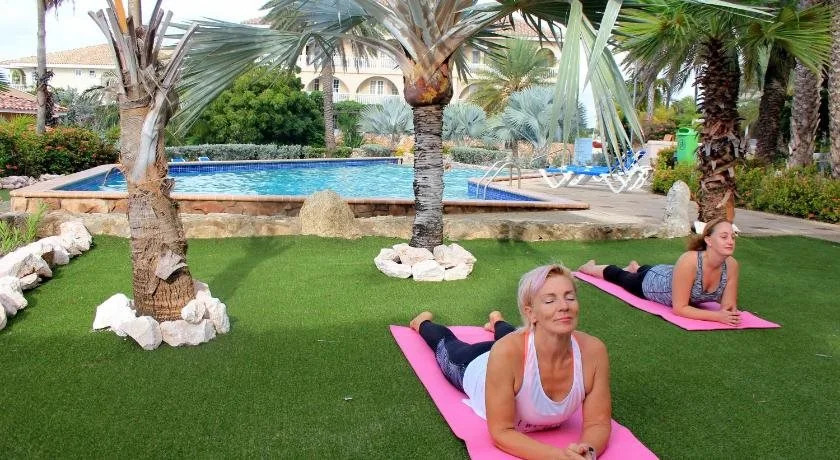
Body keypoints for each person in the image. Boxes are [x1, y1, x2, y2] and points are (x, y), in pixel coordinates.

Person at [409, 264, 611, 460]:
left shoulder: (593, 351)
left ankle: (497, 321)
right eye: (550, 301)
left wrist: (587, 452)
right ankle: (421, 323)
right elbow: (502, 432)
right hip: (476, 364)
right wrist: (559, 457)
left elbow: (598, 423)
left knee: (513, 333)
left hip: (517, 352)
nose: (564, 306)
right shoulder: (507, 352)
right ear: (531, 313)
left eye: (570, 297)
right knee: (446, 347)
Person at [577, 217, 740, 326]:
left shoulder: (731, 265)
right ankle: (590, 268)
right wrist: (717, 317)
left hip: (670, 273)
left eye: (732, 237)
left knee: (646, 269)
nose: (730, 241)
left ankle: (636, 267)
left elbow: (728, 307)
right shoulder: (690, 261)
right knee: (620, 276)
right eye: (724, 237)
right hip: (652, 283)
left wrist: (728, 313)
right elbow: (680, 308)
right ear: (708, 240)